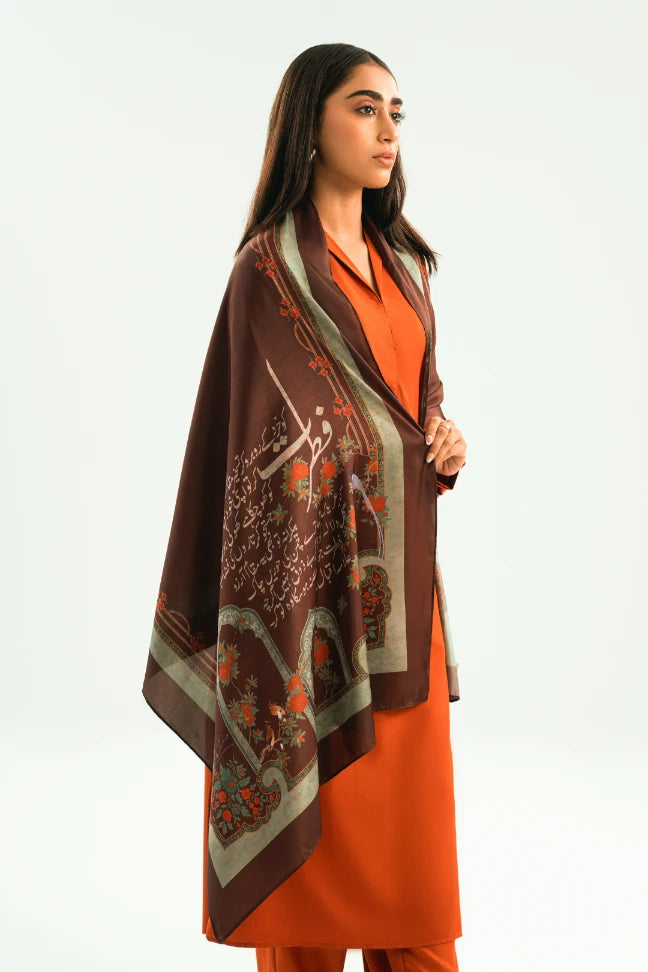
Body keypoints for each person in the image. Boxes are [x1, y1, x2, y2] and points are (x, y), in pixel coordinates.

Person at [143, 42, 468, 972]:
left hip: (401, 618)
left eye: (396, 112)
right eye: (364, 108)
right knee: (307, 905)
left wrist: (442, 441)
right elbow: (262, 452)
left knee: (418, 900)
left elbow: (407, 407)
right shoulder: (268, 275)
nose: (387, 130)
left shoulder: (406, 268)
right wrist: (392, 444)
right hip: (303, 625)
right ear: (308, 125)